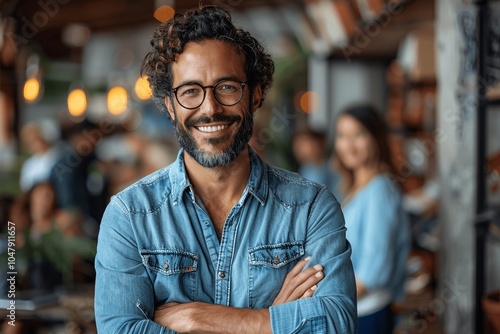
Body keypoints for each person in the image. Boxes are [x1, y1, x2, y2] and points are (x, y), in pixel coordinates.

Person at [94, 5, 356, 333]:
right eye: (190, 91)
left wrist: (195, 318)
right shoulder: (129, 216)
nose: (210, 108)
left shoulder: (310, 207)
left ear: (256, 95)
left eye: (227, 87)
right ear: (170, 106)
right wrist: (270, 320)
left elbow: (336, 324)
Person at [332, 104, 410, 334]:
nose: (348, 145)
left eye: (358, 134)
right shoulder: (356, 187)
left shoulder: (379, 191)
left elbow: (373, 272)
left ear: (375, 138)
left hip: (368, 313)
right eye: (342, 135)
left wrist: (324, 300)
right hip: (355, 309)